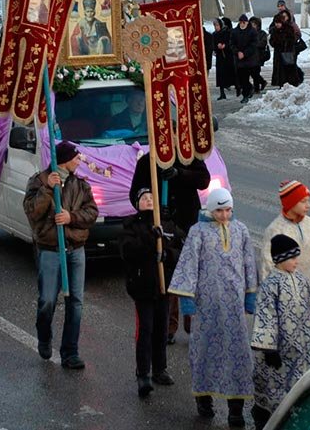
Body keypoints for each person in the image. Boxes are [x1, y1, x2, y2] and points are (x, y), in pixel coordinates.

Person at [168, 188, 256, 426]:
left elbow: (249, 262)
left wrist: (250, 295)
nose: (224, 215)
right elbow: (188, 266)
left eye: (228, 210)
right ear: (210, 209)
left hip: (234, 307)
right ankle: (204, 399)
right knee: (205, 352)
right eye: (219, 210)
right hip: (206, 308)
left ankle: (235, 408)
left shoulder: (241, 230)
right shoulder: (198, 232)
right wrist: (187, 301)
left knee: (237, 354)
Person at [24, 141, 100, 370]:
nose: (79, 161)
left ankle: (70, 352)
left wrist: (71, 217)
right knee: (47, 300)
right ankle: (44, 337)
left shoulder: (80, 184)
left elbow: (92, 212)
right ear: (65, 159)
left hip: (75, 249)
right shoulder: (38, 181)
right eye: (76, 157)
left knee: (75, 302)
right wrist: (47, 189)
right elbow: (32, 212)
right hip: (50, 250)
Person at [128, 152, 210, 342]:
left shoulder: (189, 157)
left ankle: (192, 320)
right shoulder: (146, 162)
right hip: (162, 225)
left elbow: (204, 180)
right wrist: (152, 209)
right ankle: (169, 327)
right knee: (169, 274)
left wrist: (179, 173)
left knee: (192, 272)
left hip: (187, 223)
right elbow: (135, 194)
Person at [251, 235, 310, 428]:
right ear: (280, 259)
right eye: (292, 258)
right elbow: (265, 316)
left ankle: (296, 421)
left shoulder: (302, 281)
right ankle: (266, 417)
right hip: (280, 352)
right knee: (275, 388)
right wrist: (269, 349)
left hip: (302, 350)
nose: (296, 261)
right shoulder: (271, 285)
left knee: (299, 388)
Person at [120, 187, 185, 397]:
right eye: (144, 198)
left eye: (151, 198)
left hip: (163, 286)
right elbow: (128, 251)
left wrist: (167, 254)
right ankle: (143, 373)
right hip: (143, 286)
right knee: (145, 330)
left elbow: (180, 247)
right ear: (137, 203)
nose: (148, 201)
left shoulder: (166, 224)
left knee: (161, 329)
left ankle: (160, 369)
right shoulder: (133, 225)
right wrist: (150, 237)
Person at [260, 181, 310, 308]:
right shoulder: (275, 230)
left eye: (308, 201)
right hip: (288, 299)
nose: (308, 205)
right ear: (291, 202)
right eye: (303, 201)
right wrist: (271, 300)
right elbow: (267, 265)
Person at [229, 14, 259, 104]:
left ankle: (246, 94)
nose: (242, 24)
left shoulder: (252, 31)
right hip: (239, 59)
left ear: (247, 22)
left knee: (248, 77)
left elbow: (254, 45)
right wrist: (237, 52)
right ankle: (247, 91)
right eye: (241, 22)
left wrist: (245, 53)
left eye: (244, 22)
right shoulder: (235, 31)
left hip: (250, 59)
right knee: (241, 79)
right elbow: (231, 44)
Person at [270, 11, 302, 87]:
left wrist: (285, 42)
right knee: (280, 70)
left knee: (289, 69)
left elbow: (292, 39)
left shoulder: (289, 28)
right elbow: (272, 41)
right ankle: (281, 84)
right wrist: (275, 42)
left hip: (287, 52)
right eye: (276, 23)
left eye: (279, 22)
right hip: (278, 53)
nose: (277, 24)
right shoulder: (274, 30)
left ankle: (292, 83)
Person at [212, 18, 236, 100]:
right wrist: (216, 47)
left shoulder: (227, 33)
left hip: (228, 56)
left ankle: (238, 88)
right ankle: (222, 93)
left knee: (231, 73)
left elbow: (231, 43)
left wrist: (225, 46)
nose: (216, 27)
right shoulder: (214, 34)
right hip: (220, 57)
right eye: (215, 25)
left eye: (217, 25)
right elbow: (213, 45)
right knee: (220, 75)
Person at [249, 16, 269, 93]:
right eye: (251, 24)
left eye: (254, 24)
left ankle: (256, 88)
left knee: (256, 72)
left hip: (259, 56)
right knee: (252, 72)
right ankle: (262, 82)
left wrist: (254, 44)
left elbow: (263, 43)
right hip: (250, 56)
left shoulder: (262, 33)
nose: (253, 26)